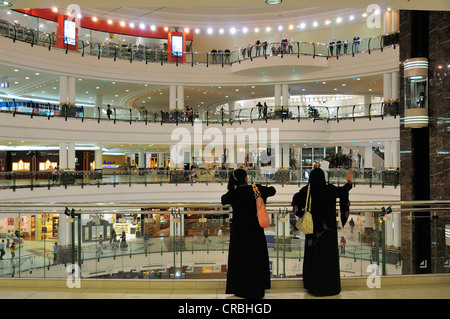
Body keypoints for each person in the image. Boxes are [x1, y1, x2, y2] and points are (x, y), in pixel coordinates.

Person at [292, 168, 352, 296]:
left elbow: (296, 202)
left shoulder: (306, 191)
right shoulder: (330, 189)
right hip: (328, 233)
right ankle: (330, 287)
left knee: (314, 258)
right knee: (328, 258)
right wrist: (349, 182)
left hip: (312, 232)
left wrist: (301, 213)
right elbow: (344, 191)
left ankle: (313, 286)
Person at [221, 168, 276, 299]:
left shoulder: (233, 193)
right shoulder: (256, 189)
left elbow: (223, 199)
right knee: (256, 259)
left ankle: (241, 289)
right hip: (255, 231)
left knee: (241, 260)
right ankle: (257, 289)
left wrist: (232, 189)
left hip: (239, 233)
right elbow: (272, 190)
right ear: (246, 178)